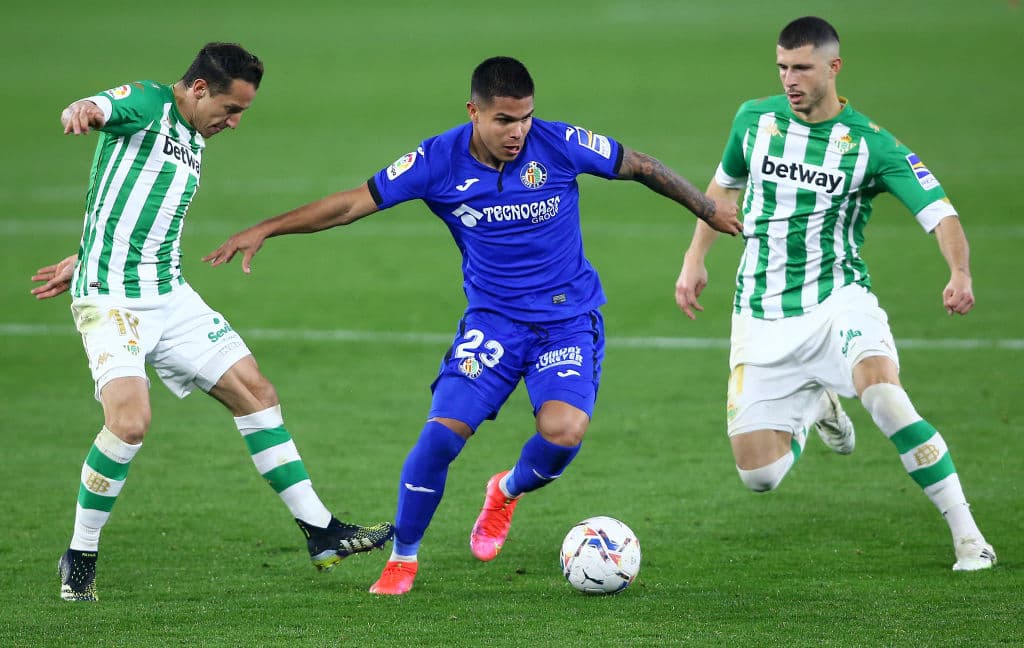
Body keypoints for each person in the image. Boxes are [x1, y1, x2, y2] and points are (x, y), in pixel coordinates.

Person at [203, 56, 742, 595]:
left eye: (526, 117)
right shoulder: (437, 160)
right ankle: (404, 559)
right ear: (474, 112)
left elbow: (641, 165)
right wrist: (268, 229)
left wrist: (707, 208)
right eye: (505, 120)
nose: (518, 131)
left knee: (563, 434)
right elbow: (350, 204)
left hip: (567, 321)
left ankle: (505, 491)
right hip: (493, 324)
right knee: (440, 437)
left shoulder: (558, 143)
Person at [32, 42, 394, 602]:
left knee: (257, 392)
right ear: (199, 88)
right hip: (113, 301)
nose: (235, 122)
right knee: (129, 424)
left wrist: (87, 249)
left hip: (169, 294)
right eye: (231, 109)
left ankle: (322, 532)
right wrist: (81, 110)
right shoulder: (147, 103)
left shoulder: (193, 136)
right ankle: (80, 553)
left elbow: (134, 207)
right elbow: (99, 107)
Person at [673, 17, 995, 571]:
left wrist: (959, 273)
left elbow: (940, 212)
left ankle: (969, 536)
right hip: (760, 312)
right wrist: (695, 256)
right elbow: (724, 188)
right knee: (759, 476)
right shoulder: (754, 120)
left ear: (833, 68)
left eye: (801, 68)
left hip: (837, 300)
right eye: (782, 67)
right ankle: (817, 404)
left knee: (884, 396)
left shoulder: (872, 145)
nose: (789, 79)